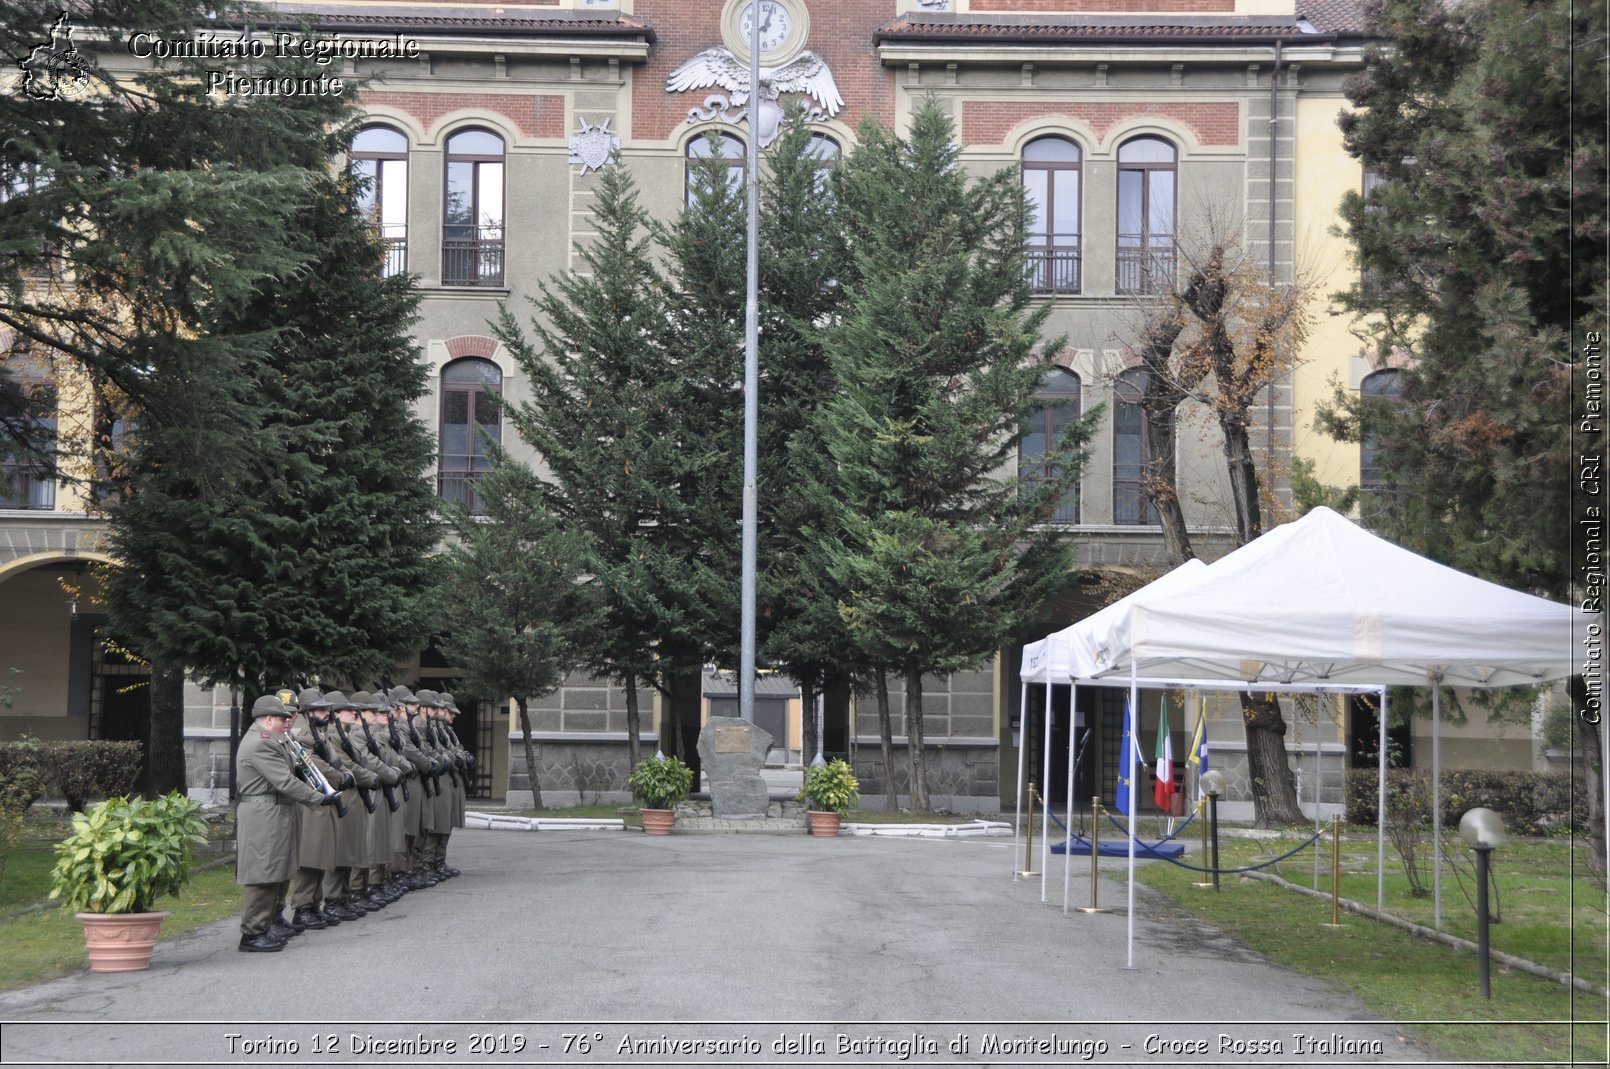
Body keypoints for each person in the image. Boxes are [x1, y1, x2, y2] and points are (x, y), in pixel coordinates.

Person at [234, 693, 337, 952]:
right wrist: (319, 798)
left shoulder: (274, 741)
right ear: (268, 719)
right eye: (283, 717)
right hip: (264, 814)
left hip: (275, 811)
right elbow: (285, 781)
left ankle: (267, 923)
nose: (288, 721)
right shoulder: (262, 743)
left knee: (278, 869)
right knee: (264, 872)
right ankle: (253, 933)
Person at [289, 688, 355, 930]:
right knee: (311, 857)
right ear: (306, 712)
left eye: (326, 708)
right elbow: (314, 766)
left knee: (322, 855)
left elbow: (336, 762)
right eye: (319, 709)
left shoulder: (322, 737)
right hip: (312, 804)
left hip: (325, 802)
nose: (326, 713)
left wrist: (345, 773)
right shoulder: (303, 738)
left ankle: (315, 904)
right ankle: (302, 906)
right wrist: (340, 776)